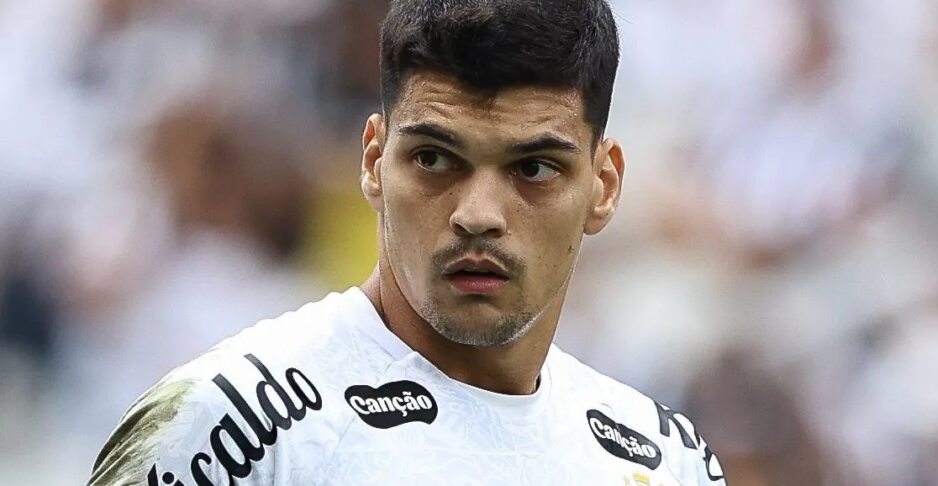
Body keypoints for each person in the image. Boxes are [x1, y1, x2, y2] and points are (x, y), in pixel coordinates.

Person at [88, 0, 726, 484]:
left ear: (604, 186)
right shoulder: (228, 431)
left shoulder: (668, 462)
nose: (478, 215)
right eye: (434, 159)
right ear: (373, 161)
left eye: (533, 168)